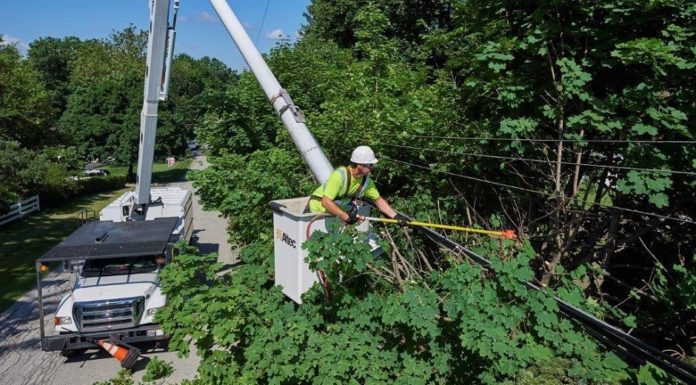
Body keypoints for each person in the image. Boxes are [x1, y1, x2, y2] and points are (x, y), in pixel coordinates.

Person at [309, 145, 397, 224]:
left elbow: (378, 200)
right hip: (318, 208)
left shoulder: (366, 182)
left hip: (336, 206)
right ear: (360, 165)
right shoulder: (339, 175)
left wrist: (395, 216)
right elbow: (326, 202)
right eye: (370, 164)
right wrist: (345, 217)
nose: (372, 167)